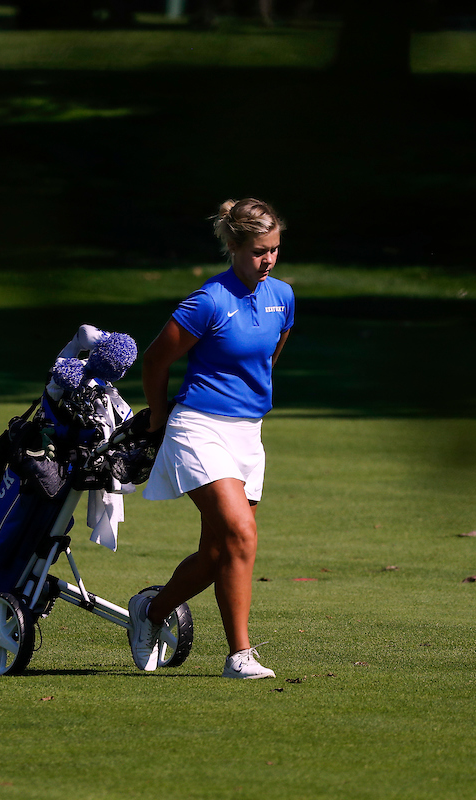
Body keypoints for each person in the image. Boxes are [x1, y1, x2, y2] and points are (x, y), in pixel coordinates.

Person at [129, 197, 294, 679]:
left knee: (219, 552)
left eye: (275, 250)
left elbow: (268, 358)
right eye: (259, 251)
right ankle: (239, 656)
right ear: (235, 247)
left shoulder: (282, 296)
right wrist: (159, 418)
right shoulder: (209, 301)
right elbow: (156, 361)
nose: (268, 260)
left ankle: (152, 612)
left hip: (248, 434)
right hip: (198, 427)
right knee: (242, 534)